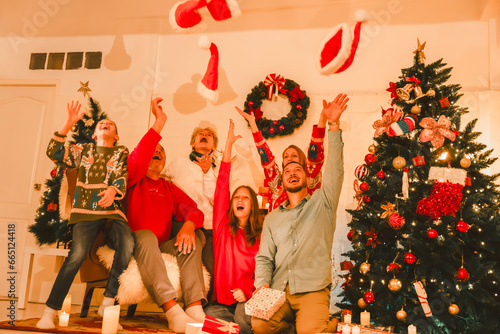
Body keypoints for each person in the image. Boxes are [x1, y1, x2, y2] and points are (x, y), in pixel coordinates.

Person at [252, 94, 348, 334]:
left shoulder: (323, 202)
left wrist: (332, 125)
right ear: (282, 181)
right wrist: (262, 284)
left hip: (312, 289)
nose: (292, 173)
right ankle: (311, 324)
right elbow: (264, 258)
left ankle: (323, 325)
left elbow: (335, 169)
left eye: (298, 169)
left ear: (307, 177)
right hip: (278, 289)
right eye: (287, 172)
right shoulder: (273, 217)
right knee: (258, 325)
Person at [37, 101, 134, 329]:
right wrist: (67, 123)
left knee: (127, 243)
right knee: (76, 255)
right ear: (93, 135)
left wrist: (112, 190)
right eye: (102, 123)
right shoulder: (83, 150)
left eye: (110, 124)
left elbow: (122, 175)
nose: (105, 124)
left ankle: (108, 302)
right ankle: (49, 312)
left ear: (116, 136)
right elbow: (54, 152)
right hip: (84, 211)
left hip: (112, 210)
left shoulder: (121, 151)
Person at [125, 98, 208, 333]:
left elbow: (194, 210)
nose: (158, 153)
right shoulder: (132, 179)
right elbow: (138, 157)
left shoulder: (168, 187)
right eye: (154, 150)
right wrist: (160, 122)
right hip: (134, 241)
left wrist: (189, 225)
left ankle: (193, 307)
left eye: (161, 152)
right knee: (146, 236)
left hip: (161, 245)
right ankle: (172, 310)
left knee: (196, 236)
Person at [205, 119, 262, 334]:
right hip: (221, 303)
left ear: (252, 205)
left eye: (245, 198)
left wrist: (247, 291)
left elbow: (264, 273)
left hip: (247, 300)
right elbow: (222, 186)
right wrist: (227, 146)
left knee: (240, 316)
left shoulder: (259, 238)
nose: (239, 200)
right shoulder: (223, 229)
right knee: (209, 317)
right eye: (236, 197)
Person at [165, 124, 219, 304]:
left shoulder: (218, 171)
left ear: (213, 146)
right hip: (182, 224)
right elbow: (163, 185)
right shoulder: (178, 164)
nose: (204, 135)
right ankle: (192, 305)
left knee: (212, 268)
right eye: (200, 134)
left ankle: (208, 309)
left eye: (209, 135)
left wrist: (207, 171)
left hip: (209, 228)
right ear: (192, 143)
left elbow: (217, 201)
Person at [236, 106, 327, 211]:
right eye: (286, 156)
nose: (289, 159)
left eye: (294, 155)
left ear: (302, 160)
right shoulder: (277, 183)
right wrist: (252, 123)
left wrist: (322, 121)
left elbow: (314, 154)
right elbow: (265, 156)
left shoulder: (308, 180)